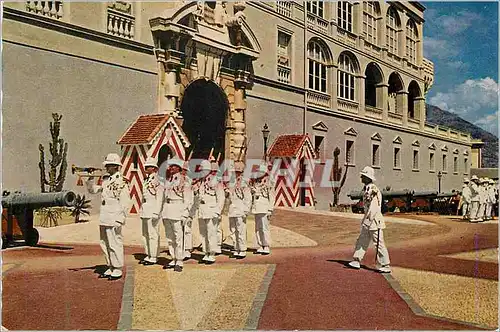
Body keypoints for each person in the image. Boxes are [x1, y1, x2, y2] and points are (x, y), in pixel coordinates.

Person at [86, 153, 130, 280]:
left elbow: (125, 202)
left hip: (114, 216)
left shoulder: (122, 181)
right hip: (105, 216)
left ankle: (117, 268)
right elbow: (93, 190)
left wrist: (121, 219)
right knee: (104, 243)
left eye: (109, 165)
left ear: (116, 167)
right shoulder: (106, 181)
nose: (106, 168)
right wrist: (90, 178)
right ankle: (110, 265)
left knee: (114, 243)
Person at [348, 166, 391, 273]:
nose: (361, 177)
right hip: (369, 221)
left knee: (379, 243)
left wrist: (367, 221)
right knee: (362, 241)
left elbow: (374, 208)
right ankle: (356, 260)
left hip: (374, 222)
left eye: (363, 175)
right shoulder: (368, 188)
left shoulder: (372, 190)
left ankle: (385, 264)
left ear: (367, 177)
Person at [162, 158, 193, 272]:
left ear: (179, 168)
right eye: (170, 166)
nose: (171, 168)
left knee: (178, 237)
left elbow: (188, 199)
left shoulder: (184, 180)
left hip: (178, 209)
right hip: (168, 209)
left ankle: (179, 260)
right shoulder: (168, 180)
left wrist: (185, 213)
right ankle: (173, 258)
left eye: (174, 166)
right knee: (170, 237)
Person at [197, 159, 225, 264]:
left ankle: (212, 253)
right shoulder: (201, 181)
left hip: (211, 209)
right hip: (202, 210)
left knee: (211, 232)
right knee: (203, 233)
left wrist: (218, 211)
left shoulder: (215, 180)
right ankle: (206, 252)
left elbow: (221, 197)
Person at [139, 156, 164, 266]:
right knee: (145, 234)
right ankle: (148, 254)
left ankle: (153, 256)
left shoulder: (158, 181)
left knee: (153, 234)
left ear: (155, 169)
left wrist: (157, 212)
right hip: (145, 209)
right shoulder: (146, 180)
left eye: (149, 166)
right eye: (146, 166)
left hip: (153, 209)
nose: (146, 168)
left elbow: (159, 198)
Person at [226, 162, 252, 258]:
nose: (236, 173)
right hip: (232, 208)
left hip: (241, 208)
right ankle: (236, 247)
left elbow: (248, 198)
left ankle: (242, 249)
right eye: (235, 171)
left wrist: (246, 210)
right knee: (233, 230)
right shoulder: (231, 182)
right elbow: (230, 196)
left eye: (238, 171)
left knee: (240, 230)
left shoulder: (244, 182)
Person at [250, 162, 275, 255]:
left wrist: (270, 209)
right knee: (258, 227)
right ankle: (260, 244)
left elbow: (272, 197)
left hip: (264, 206)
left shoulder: (268, 182)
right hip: (256, 206)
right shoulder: (256, 181)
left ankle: (266, 245)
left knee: (265, 227)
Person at [182, 161, 197, 260]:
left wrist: (189, 212)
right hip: (179, 209)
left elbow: (191, 199)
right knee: (180, 230)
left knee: (187, 229)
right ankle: (182, 249)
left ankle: (187, 249)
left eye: (184, 170)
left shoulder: (189, 181)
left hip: (188, 209)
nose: (183, 172)